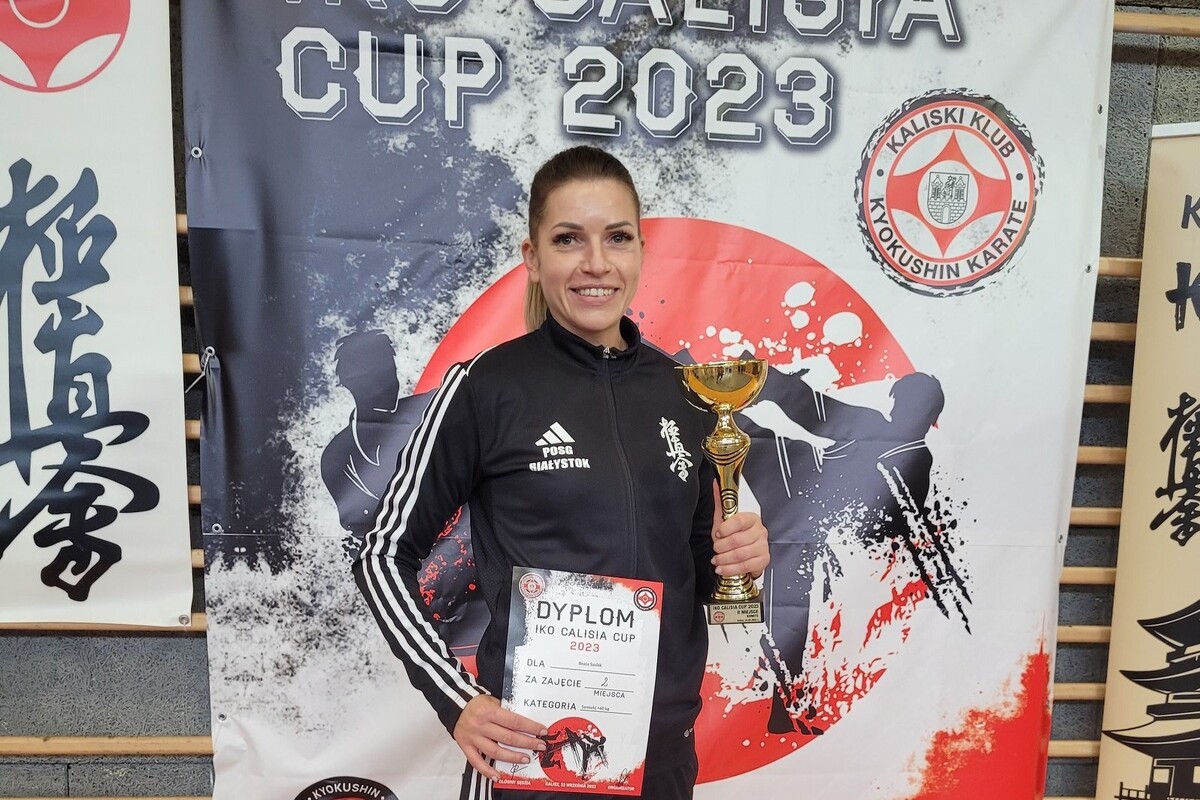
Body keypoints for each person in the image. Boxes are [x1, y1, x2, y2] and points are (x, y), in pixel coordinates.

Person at [353, 145, 770, 800]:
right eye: (568, 239)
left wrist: (737, 559)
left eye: (617, 238)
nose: (596, 263)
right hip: (529, 764)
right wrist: (456, 699)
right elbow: (382, 555)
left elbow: (698, 571)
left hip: (659, 764)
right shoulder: (487, 387)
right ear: (532, 257)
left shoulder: (685, 392)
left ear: (640, 252)